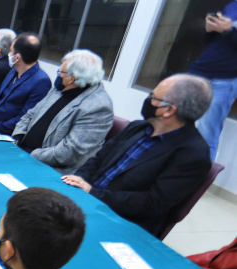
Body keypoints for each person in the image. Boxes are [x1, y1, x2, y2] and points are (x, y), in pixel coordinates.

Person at [63, 74, 212, 237]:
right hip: (86, 201)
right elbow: (97, 160)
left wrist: (92, 193)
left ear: (168, 110)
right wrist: (77, 183)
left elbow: (151, 203)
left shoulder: (193, 154)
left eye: (153, 97)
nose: (148, 100)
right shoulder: (137, 127)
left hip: (120, 223)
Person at [12, 49, 114, 174]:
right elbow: (31, 114)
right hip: (23, 154)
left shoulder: (98, 107)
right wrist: (18, 137)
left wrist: (30, 154)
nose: (58, 75)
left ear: (72, 78)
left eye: (61, 72)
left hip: (52, 169)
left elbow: (70, 152)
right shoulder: (60, 88)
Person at [189, 0, 237, 161]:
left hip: (225, 79)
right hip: (200, 70)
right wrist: (210, 30)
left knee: (206, 132)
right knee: (174, 121)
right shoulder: (232, 5)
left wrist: (228, 31)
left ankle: (196, 180)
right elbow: (215, 43)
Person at [0, 32, 51, 135]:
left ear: (17, 58)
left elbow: (23, 119)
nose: (8, 54)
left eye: (11, 51)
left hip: (0, 134)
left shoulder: (41, 82)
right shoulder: (13, 71)